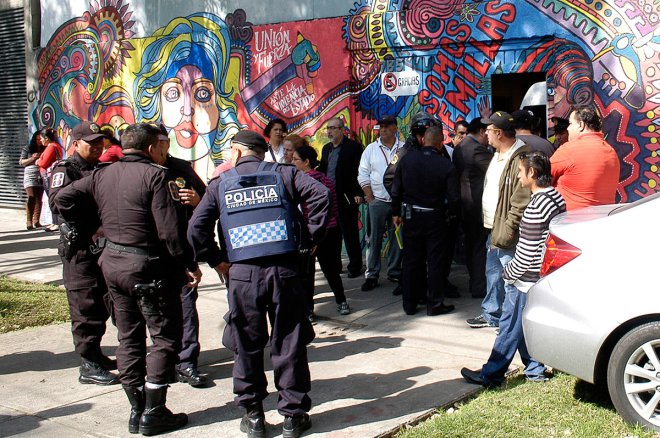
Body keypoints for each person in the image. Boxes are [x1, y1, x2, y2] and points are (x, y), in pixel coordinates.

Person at [55, 123, 201, 436]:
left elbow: (62, 200)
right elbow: (171, 233)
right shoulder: (156, 176)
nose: (164, 150)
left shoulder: (101, 174)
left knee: (129, 337)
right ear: (151, 148)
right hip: (148, 267)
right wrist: (188, 263)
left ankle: (136, 408)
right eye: (161, 145)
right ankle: (154, 410)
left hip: (113, 265)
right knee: (164, 338)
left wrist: (93, 225)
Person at [188, 129, 330, 438]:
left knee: (246, 344)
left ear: (237, 153)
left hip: (242, 274)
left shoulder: (220, 184)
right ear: (261, 153)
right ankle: (293, 415)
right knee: (289, 340)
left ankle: (253, 415)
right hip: (284, 270)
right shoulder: (285, 174)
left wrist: (216, 260)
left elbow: (196, 228)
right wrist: (310, 239)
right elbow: (321, 194)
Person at [461, 150, 565, 387]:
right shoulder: (556, 198)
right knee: (519, 324)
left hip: (526, 278)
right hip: (541, 276)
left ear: (532, 172)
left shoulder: (535, 208)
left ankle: (492, 374)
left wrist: (508, 274)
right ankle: (535, 368)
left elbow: (527, 253)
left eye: (520, 172)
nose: (518, 178)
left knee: (509, 325)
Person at [48, 121, 120, 386]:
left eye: (101, 142)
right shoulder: (65, 170)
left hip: (104, 247)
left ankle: (97, 354)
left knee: (103, 302)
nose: (98, 147)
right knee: (85, 305)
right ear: (76, 144)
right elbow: (58, 204)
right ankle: (88, 364)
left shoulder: (102, 167)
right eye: (91, 143)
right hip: (80, 251)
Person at [466, 111, 532, 329]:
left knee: (511, 278)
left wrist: (511, 227)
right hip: (494, 226)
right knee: (493, 273)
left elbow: (521, 198)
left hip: (507, 228)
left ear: (500, 133)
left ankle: (510, 323)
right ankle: (492, 314)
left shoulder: (521, 157)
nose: (486, 133)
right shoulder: (497, 153)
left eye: (489, 130)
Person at [157, 124, 209, 389]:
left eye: (163, 140)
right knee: (155, 313)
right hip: (147, 255)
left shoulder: (181, 167)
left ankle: (187, 361)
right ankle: (162, 363)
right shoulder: (130, 170)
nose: (161, 145)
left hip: (180, 252)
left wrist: (197, 200)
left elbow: (208, 201)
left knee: (186, 308)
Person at [391, 126, 459, 316]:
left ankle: (409, 303)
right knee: (435, 261)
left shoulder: (407, 160)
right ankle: (435, 304)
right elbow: (454, 198)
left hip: (411, 217)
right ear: (439, 144)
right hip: (436, 218)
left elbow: (396, 189)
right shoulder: (445, 165)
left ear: (423, 141)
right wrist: (451, 215)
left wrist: (395, 212)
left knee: (412, 260)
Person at [382, 112, 440, 297]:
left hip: (432, 211)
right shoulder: (406, 152)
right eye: (423, 131)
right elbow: (389, 178)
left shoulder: (436, 149)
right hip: (411, 212)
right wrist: (404, 200)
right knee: (412, 257)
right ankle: (411, 288)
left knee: (433, 256)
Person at [293, 143, 349, 319]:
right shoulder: (326, 179)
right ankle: (342, 301)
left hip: (313, 232)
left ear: (306, 162)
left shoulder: (304, 182)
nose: (292, 162)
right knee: (331, 270)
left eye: (295, 159)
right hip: (331, 229)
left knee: (307, 273)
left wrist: (311, 237)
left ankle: (308, 310)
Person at [357, 115, 404, 291]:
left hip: (397, 202)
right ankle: (372, 274)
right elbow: (362, 174)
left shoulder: (403, 147)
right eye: (381, 126)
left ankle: (394, 271)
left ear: (395, 128)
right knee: (373, 239)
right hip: (377, 201)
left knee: (396, 238)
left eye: (387, 126)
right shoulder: (370, 149)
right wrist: (369, 197)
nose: (383, 129)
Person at [318, 117, 364, 278]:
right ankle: (336, 265)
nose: (329, 131)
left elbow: (360, 171)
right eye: (328, 128)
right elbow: (323, 170)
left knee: (350, 232)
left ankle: (355, 265)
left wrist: (359, 192)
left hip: (346, 196)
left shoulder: (354, 148)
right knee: (333, 233)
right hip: (330, 197)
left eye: (333, 128)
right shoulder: (326, 149)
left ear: (341, 129)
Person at [453, 118, 493, 299]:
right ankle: (479, 286)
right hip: (475, 206)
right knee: (478, 248)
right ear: (482, 131)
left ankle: (474, 283)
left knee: (472, 246)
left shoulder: (460, 146)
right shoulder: (476, 149)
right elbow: (495, 170)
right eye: (488, 132)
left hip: (466, 204)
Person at [550, 106, 620, 210]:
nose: (568, 128)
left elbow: (540, 177)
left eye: (570, 124)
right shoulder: (611, 152)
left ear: (581, 125)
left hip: (570, 221)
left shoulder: (568, 150)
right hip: (602, 220)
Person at [35, 127, 64, 231]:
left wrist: (38, 161)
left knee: (52, 199)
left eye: (41, 138)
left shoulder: (51, 147)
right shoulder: (55, 146)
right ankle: (54, 221)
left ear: (46, 138)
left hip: (49, 176)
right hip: (48, 176)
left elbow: (43, 163)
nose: (41, 140)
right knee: (51, 198)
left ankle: (57, 223)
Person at [19, 132, 46, 230]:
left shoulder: (45, 148)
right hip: (30, 175)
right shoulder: (28, 148)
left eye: (40, 139)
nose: (39, 142)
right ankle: (29, 221)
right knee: (31, 197)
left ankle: (36, 221)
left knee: (39, 198)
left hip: (40, 175)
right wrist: (33, 158)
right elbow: (21, 162)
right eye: (37, 139)